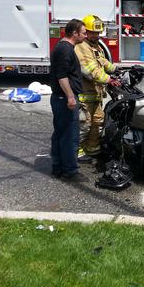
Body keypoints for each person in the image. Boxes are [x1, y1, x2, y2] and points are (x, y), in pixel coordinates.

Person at [74, 14, 121, 163]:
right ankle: (77, 153)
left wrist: (116, 70)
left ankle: (92, 149)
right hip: (85, 94)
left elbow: (103, 62)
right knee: (84, 125)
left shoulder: (96, 45)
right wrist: (109, 79)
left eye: (98, 33)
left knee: (97, 121)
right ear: (85, 31)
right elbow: (91, 70)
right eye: (93, 32)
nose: (96, 35)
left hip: (95, 93)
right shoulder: (81, 47)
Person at [49, 18, 87, 181]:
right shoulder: (65, 49)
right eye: (83, 33)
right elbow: (62, 76)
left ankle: (58, 167)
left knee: (60, 134)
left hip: (59, 98)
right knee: (70, 136)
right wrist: (71, 97)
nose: (85, 36)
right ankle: (70, 171)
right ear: (74, 33)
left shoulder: (63, 47)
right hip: (64, 99)